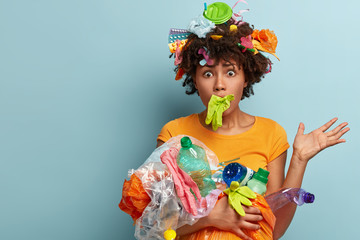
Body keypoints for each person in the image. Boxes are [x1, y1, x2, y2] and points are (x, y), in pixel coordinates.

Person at [156, 2, 349, 240]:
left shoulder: (271, 134)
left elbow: (274, 230)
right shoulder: (174, 133)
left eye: (230, 72)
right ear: (194, 79)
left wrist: (299, 160)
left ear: (246, 78)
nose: (219, 85)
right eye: (207, 73)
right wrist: (211, 217)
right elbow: (157, 225)